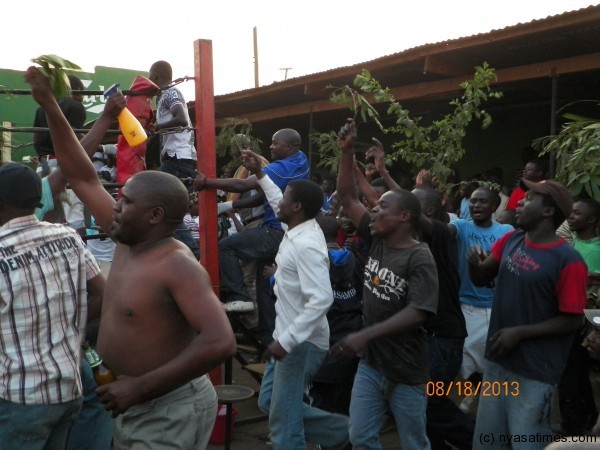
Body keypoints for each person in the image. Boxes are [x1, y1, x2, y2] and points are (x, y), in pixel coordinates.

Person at [26, 66, 236, 450]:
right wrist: (50, 106)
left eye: (126, 201)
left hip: (167, 408)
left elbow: (221, 342)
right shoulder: (128, 238)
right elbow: (82, 176)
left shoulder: (177, 264)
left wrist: (141, 386)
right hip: (130, 401)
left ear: (155, 216)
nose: (115, 206)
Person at [333, 119, 438, 450]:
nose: (373, 212)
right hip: (371, 365)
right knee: (361, 437)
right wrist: (347, 152)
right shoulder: (376, 240)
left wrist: (366, 334)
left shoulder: (419, 258)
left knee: (413, 443)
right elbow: (347, 196)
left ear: (405, 217)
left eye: (382, 208)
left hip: (406, 373)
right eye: (374, 208)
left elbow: (419, 312)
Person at [241, 150, 350, 449]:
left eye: (287, 198)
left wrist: (287, 341)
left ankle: (341, 435)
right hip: (287, 339)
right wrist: (260, 174)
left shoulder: (307, 245)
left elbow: (322, 299)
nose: (280, 202)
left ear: (297, 207)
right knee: (269, 404)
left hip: (300, 345)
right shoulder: (296, 224)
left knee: (283, 427)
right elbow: (277, 199)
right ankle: (347, 433)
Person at [468, 179, 587, 449]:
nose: (519, 201)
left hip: (534, 371)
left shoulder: (568, 260)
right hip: (498, 361)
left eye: (529, 198)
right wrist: (473, 262)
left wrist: (520, 333)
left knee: (526, 441)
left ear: (548, 211)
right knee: (488, 440)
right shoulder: (513, 239)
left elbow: (573, 319)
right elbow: (481, 276)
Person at [0, 162, 104, 449]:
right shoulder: (67, 236)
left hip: (21, 397)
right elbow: (101, 292)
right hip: (69, 388)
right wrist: (74, 329)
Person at [194, 127, 309, 348]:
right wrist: (230, 205)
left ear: (290, 146)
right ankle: (268, 341)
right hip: (285, 235)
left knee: (225, 247)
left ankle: (240, 298)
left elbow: (242, 185)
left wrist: (207, 182)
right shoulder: (301, 160)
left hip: (274, 231)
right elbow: (262, 196)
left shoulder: (281, 168)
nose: (271, 146)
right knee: (266, 289)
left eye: (276, 143)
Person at [449, 186, 513, 415]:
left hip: (496, 306)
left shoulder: (506, 231)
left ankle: (493, 405)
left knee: (494, 359)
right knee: (466, 358)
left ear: (494, 206)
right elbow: (439, 230)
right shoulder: (461, 226)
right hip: (467, 304)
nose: (476, 205)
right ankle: (472, 391)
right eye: (473, 201)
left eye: (483, 202)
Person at [558, 198, 600, 435]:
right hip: (570, 317)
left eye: (576, 213)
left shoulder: (597, 248)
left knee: (578, 375)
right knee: (571, 376)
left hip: (588, 325)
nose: (570, 217)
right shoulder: (571, 243)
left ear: (592, 219)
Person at [149, 60, 196, 179]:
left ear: (155, 76)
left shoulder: (170, 93)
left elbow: (182, 119)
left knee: (160, 194)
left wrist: (157, 127)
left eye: (150, 76)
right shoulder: (164, 95)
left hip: (178, 158)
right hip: (176, 157)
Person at [33, 74, 86, 176]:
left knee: (44, 192)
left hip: (42, 163)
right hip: (64, 164)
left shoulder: (41, 109)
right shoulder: (77, 106)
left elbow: (36, 140)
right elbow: (74, 135)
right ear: (79, 89)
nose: (83, 97)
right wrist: (99, 146)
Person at [498, 158, 546, 225]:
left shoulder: (544, 191)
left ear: (539, 173)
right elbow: (509, 212)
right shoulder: (517, 191)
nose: (524, 171)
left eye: (529, 169)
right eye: (524, 169)